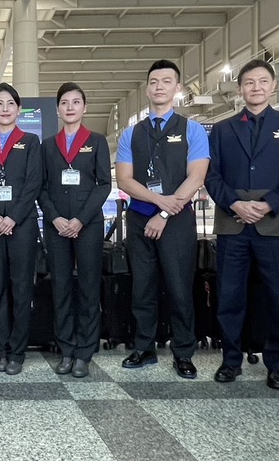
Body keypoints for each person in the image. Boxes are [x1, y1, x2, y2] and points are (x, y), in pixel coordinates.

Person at [205, 59, 279, 390]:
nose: (256, 87)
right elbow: (212, 174)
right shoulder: (222, 129)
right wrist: (234, 202)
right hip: (232, 223)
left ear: (273, 85)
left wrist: (268, 205)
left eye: (263, 81)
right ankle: (231, 360)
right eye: (249, 82)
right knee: (230, 296)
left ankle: (278, 363)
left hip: (275, 224)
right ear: (239, 89)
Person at [115, 59, 209, 379]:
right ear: (147, 88)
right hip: (141, 219)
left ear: (177, 88)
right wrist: (157, 203)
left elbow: (196, 177)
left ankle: (183, 352)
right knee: (142, 287)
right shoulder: (131, 134)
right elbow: (125, 180)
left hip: (178, 222)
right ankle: (144, 347)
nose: (159, 86)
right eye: (154, 81)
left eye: (166, 81)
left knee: (180, 287)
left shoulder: (192, 129)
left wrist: (167, 212)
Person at [38, 83, 111, 378]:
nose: (70, 107)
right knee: (61, 287)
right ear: (58, 109)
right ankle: (66, 348)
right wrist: (54, 217)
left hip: (88, 224)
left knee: (89, 287)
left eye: (76, 102)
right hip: (56, 226)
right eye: (65, 102)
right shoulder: (47, 145)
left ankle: (85, 352)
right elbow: (40, 188)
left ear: (84, 107)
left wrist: (80, 218)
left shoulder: (96, 140)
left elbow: (103, 184)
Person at [0, 82, 43, 376]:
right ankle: (2, 347)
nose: (4, 109)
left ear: (18, 109)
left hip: (22, 226)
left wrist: (13, 218)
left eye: (10, 104)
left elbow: (33, 184)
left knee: (21, 288)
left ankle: (17, 351)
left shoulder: (30, 142)